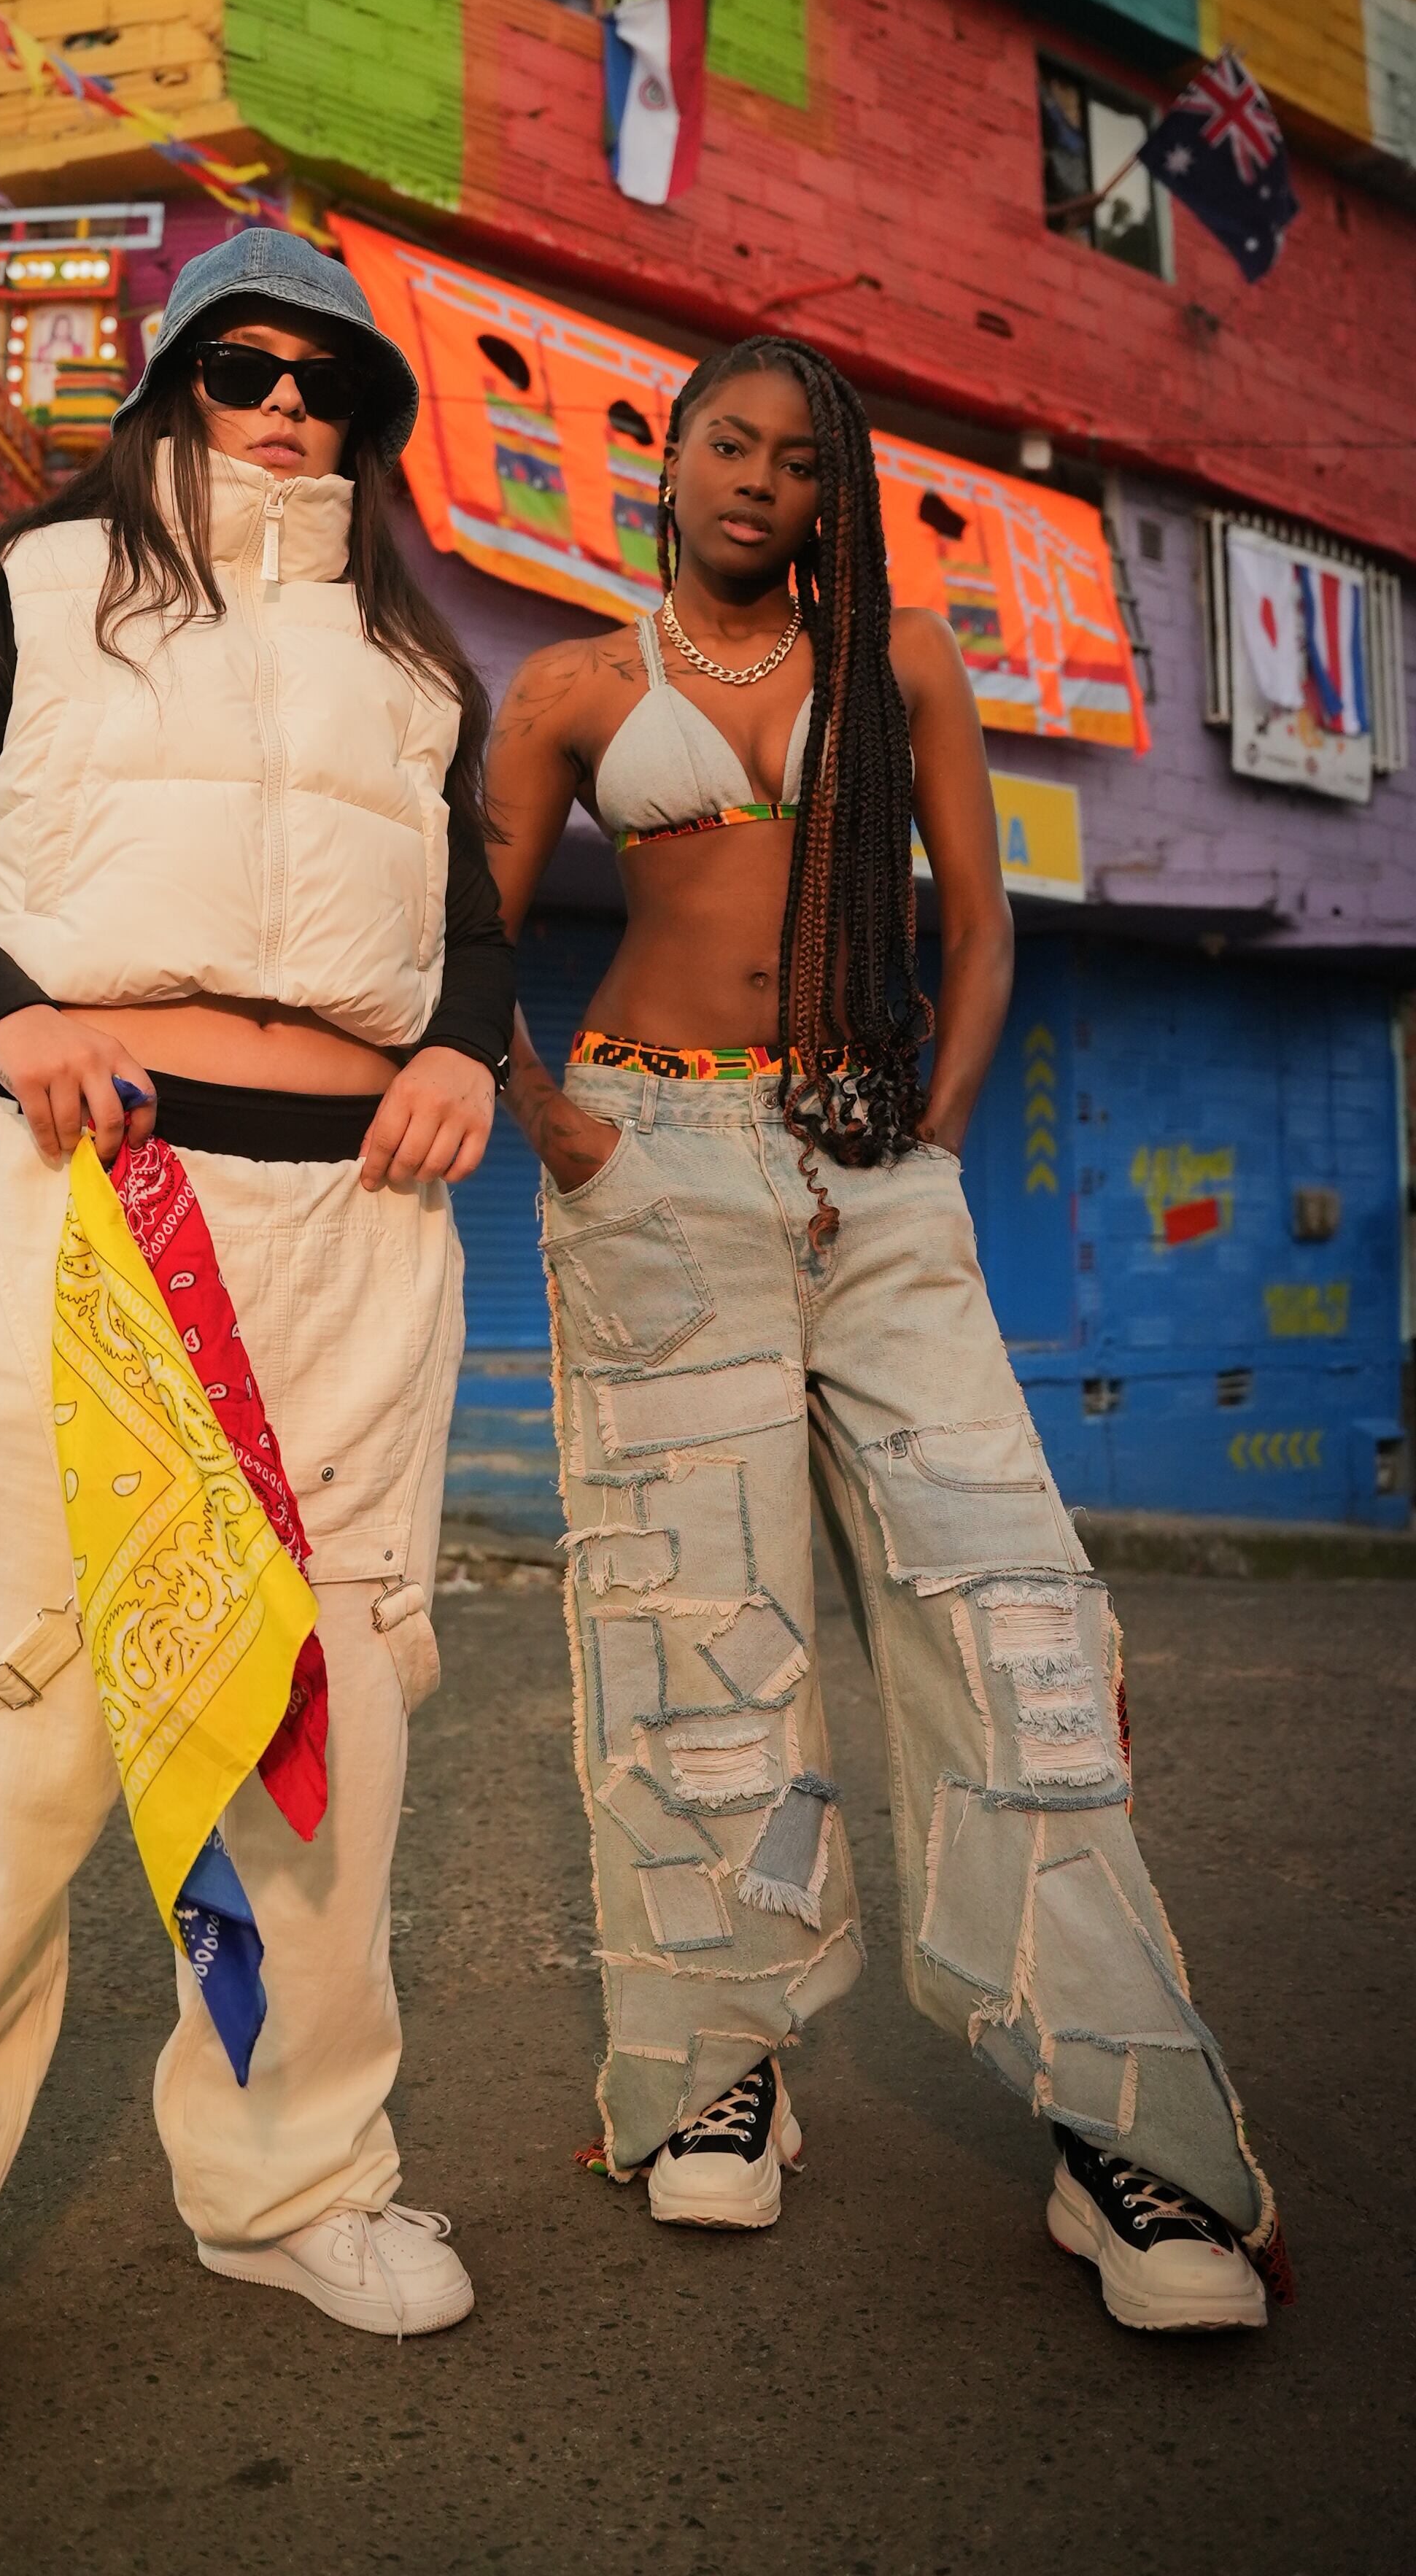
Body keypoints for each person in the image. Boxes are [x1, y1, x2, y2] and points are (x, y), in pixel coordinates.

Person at [0, 231, 512, 2534]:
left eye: (326, 383)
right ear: (171, 386)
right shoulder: (44, 580)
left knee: (320, 1732)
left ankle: (289, 2187)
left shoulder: (407, 653)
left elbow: (464, 919)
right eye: (239, 370)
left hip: (345, 1240)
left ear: (366, 418)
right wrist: (6, 1008)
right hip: (73, 1215)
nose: (280, 409)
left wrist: (458, 1045)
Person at [483, 332, 1281, 2335]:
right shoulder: (574, 687)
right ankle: (710, 2076)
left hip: (870, 1164)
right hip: (650, 1170)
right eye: (726, 445)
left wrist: (929, 1142)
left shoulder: (905, 659)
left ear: (836, 495)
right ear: (663, 464)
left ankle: (1134, 2144)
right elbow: (456, 930)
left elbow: (980, 924)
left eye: (801, 461)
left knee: (1013, 1618)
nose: (760, 481)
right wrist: (560, 1128)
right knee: (692, 1631)